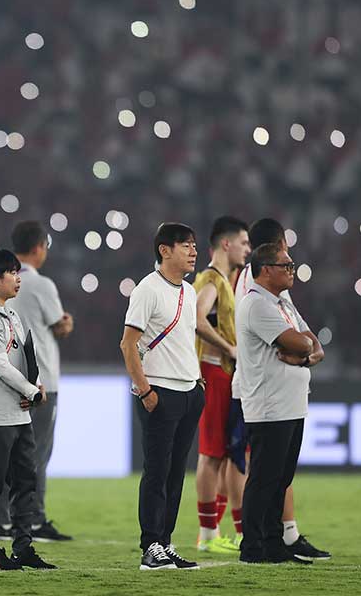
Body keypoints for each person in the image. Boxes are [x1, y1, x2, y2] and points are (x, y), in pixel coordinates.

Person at [232, 219, 330, 561]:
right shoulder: (257, 303)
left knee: (279, 478)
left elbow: (312, 342)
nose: (291, 268)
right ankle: (253, 546)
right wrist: (306, 350)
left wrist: (307, 357)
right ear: (264, 269)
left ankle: (273, 542)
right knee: (263, 478)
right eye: (285, 264)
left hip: (290, 403)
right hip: (269, 404)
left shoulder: (281, 301)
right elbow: (298, 341)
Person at [120, 222, 204, 571]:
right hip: (160, 390)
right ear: (164, 250)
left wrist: (198, 382)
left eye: (194, 245)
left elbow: (186, 340)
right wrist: (145, 390)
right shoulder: (147, 289)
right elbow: (128, 343)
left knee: (175, 474)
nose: (193, 251)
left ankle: (165, 542)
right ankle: (150, 546)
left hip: (188, 389)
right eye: (185, 245)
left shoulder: (189, 291)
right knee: (156, 471)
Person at [0, 248, 55, 571]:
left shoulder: (10, 312)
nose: (18, 278)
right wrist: (32, 392)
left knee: (25, 482)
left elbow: (25, 359)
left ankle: (23, 548)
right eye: (12, 273)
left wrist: (36, 385)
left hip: (19, 413)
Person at [1, 220, 74, 542]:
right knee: (36, 453)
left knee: (6, 451)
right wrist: (66, 323)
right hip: (42, 379)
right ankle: (32, 519)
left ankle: (4, 519)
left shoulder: (2, 279)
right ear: (39, 247)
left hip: (7, 376)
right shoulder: (41, 284)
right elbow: (59, 325)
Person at [192, 217, 250, 553]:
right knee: (211, 454)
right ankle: (208, 535)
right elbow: (197, 319)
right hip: (213, 372)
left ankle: (226, 531)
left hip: (225, 375)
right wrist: (229, 348)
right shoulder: (211, 279)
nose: (247, 249)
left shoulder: (224, 280)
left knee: (230, 455)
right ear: (226, 244)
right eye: (243, 242)